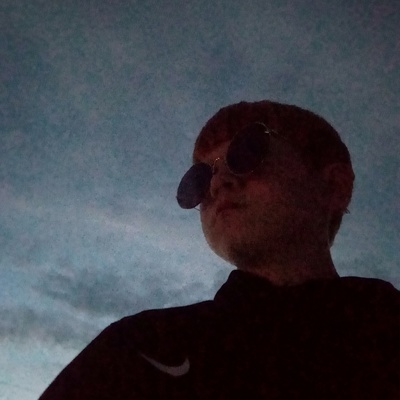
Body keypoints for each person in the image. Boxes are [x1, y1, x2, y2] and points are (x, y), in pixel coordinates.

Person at [39, 100, 400, 399]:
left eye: (248, 152)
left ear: (333, 186)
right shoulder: (141, 346)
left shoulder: (385, 334)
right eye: (200, 178)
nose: (218, 184)